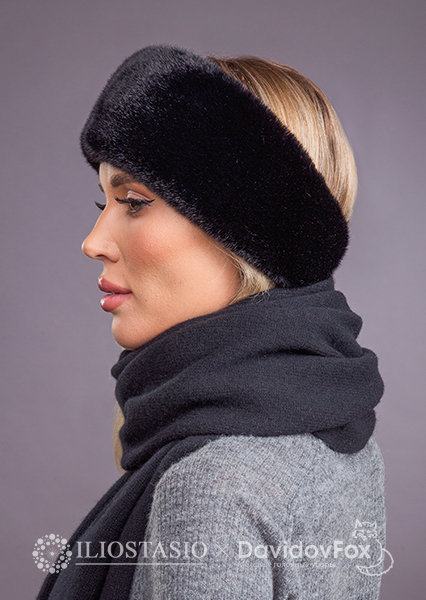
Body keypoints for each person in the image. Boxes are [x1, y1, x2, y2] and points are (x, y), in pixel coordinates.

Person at [36, 45, 386, 600]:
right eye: (103, 204)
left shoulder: (211, 486)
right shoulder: (340, 428)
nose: (94, 243)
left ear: (252, 230)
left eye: (133, 201)